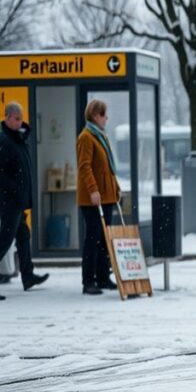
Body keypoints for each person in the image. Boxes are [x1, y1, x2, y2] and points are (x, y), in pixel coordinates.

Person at [0, 102, 49, 299]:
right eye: (17, 119)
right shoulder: (4, 140)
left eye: (22, 118)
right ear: (8, 118)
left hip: (18, 200)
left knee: (23, 235)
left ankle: (27, 275)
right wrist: (14, 190)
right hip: (10, 200)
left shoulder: (16, 138)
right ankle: (27, 274)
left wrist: (23, 130)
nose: (21, 122)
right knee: (4, 239)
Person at [77, 99, 121, 296]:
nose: (106, 118)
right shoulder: (87, 137)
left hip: (107, 196)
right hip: (94, 198)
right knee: (93, 238)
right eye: (104, 114)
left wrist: (116, 187)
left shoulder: (100, 136)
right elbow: (85, 166)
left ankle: (103, 276)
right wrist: (93, 190)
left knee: (104, 238)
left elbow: (108, 167)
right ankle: (89, 280)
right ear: (95, 116)